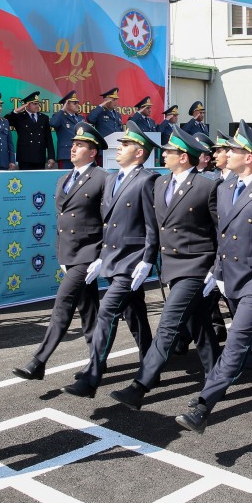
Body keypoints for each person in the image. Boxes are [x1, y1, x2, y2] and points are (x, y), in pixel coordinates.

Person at [174, 121, 252, 433]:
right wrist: (217, 271)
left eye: (235, 150)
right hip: (232, 280)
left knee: (236, 343)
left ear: (250, 157)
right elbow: (222, 237)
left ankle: (203, 407)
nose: (227, 154)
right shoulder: (225, 188)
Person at [109, 127, 221, 410]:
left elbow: (223, 232)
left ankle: (141, 386)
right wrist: (147, 261)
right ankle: (215, 376)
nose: (165, 154)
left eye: (170, 151)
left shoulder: (207, 186)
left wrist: (216, 270)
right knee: (199, 324)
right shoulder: (160, 184)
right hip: (171, 266)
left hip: (197, 267)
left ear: (184, 157)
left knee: (169, 324)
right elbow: (154, 227)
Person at [61, 122, 157, 398]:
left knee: (107, 312)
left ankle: (92, 376)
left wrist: (148, 260)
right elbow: (107, 223)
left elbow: (152, 225)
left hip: (132, 261)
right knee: (135, 314)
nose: (120, 147)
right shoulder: (112, 179)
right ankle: (151, 366)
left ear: (139, 153)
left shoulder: (146, 180)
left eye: (126, 145)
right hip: (113, 259)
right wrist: (100, 256)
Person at [11, 122, 108, 382]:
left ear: (92, 152)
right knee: (89, 311)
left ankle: (38, 361)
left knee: (63, 305)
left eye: (80, 145)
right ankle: (97, 361)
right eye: (73, 144)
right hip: (70, 254)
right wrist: (61, 254)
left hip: (88, 253)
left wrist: (100, 256)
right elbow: (61, 220)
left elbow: (107, 220)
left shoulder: (102, 178)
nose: (73, 148)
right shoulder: (64, 178)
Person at [5, 91, 56, 170]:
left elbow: (48, 138)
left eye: (38, 103)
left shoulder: (44, 118)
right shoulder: (19, 117)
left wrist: (51, 157)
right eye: (34, 104)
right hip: (25, 158)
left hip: (39, 157)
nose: (37, 106)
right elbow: (6, 121)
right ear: (27, 105)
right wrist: (16, 111)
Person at [50, 91, 85, 169]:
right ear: (67, 104)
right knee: (65, 178)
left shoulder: (80, 118)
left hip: (80, 154)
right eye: (74, 103)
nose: (77, 105)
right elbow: (53, 123)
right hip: (66, 154)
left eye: (77, 103)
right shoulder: (60, 117)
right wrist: (62, 110)